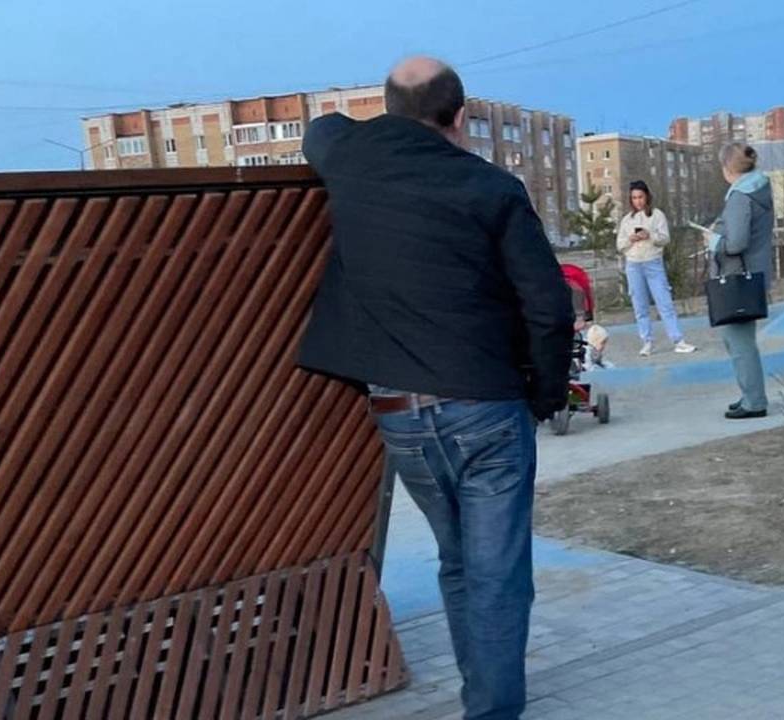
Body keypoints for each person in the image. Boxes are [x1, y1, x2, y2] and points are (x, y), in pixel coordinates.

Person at [296, 57, 575, 720]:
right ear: (461, 116)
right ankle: (490, 707)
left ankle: (482, 694)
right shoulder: (491, 187)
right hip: (486, 411)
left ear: (389, 109)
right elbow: (549, 307)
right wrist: (545, 394)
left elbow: (320, 128)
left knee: (458, 562)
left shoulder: (350, 156)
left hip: (398, 414)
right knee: (496, 572)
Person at [709, 143, 773, 420]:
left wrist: (713, 241)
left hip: (737, 278)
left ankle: (754, 401)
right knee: (740, 341)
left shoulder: (739, 197)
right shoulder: (760, 190)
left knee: (740, 344)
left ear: (727, 168)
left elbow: (735, 243)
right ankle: (750, 394)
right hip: (753, 274)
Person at [615, 180, 696, 357]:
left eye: (640, 197)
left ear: (647, 197)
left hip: (653, 263)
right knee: (640, 306)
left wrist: (650, 235)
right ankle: (647, 342)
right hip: (633, 265)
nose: (638, 201)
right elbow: (619, 245)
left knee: (665, 303)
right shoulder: (627, 220)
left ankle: (678, 340)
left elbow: (665, 238)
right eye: (634, 198)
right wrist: (631, 239)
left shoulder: (657, 215)